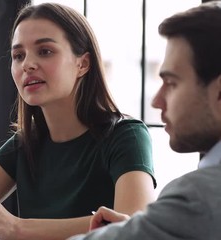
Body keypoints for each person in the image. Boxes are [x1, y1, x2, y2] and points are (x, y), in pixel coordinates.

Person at [0, 3, 157, 239]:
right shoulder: (24, 144)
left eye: (45, 51)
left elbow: (133, 224)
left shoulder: (127, 136)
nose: (27, 65)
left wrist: (17, 228)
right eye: (18, 55)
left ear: (82, 63)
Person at [70, 1, 221, 240]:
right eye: (17, 55)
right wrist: (147, 227)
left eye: (171, 83)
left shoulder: (198, 196)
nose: (156, 101)